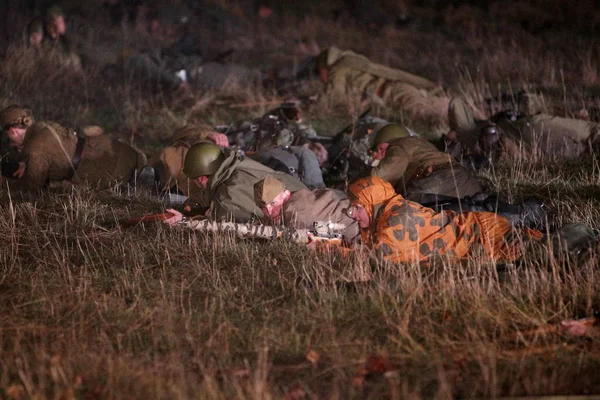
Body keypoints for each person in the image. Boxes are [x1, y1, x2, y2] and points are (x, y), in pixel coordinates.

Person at [346, 176, 544, 264]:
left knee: (547, 252)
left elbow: (377, 260)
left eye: (357, 208)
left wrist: (331, 248)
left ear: (373, 204)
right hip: (480, 234)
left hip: (484, 235)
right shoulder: (386, 213)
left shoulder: (397, 219)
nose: (352, 215)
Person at [0, 105, 147, 189]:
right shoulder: (44, 126)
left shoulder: (34, 150)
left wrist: (7, 182)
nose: (10, 142)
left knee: (140, 188)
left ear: (12, 131)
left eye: (8, 136)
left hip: (106, 171)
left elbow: (32, 188)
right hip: (117, 150)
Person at [164, 142, 307, 223]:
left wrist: (184, 221)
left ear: (201, 178)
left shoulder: (227, 197)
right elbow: (209, 193)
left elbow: (217, 227)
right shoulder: (238, 165)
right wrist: (193, 203)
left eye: (194, 180)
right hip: (307, 195)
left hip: (302, 216)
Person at [315, 47, 448, 132]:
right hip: (394, 90)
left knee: (427, 116)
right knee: (431, 114)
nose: (320, 79)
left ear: (324, 67)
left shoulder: (337, 69)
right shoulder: (349, 60)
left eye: (319, 73)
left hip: (392, 92)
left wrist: (314, 105)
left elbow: (335, 96)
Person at [449, 96, 600, 161]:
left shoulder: (472, 133)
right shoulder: (471, 133)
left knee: (589, 137)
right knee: (591, 134)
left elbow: (456, 103)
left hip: (531, 131)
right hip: (532, 131)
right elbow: (456, 102)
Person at [369, 123, 483, 202]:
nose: (378, 155)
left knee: (403, 207)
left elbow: (379, 177)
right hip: (467, 183)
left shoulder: (398, 145)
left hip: (444, 180)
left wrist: (359, 181)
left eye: (380, 149)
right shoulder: (420, 146)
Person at [253, 175, 359, 242]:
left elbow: (288, 245)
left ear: (286, 194)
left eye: (273, 203)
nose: (269, 211)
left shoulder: (296, 213)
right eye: (263, 208)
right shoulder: (292, 200)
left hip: (356, 232)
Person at [149, 124, 229, 204]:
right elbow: (180, 133)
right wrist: (209, 134)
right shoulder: (229, 131)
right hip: (174, 163)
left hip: (203, 190)